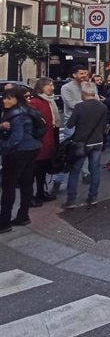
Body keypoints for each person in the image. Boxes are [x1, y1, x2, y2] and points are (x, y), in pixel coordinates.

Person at [0, 86, 42, 233]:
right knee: (26, 183)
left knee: (8, 186)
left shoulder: (16, 115)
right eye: (4, 97)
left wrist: (3, 147)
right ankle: (23, 215)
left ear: (17, 99)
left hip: (17, 152)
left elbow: (15, 139)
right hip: (32, 149)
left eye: (9, 98)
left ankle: (4, 222)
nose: (5, 100)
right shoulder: (28, 110)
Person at [63, 82, 107, 208]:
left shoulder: (79, 107)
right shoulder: (102, 107)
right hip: (97, 141)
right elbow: (104, 126)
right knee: (95, 170)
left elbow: (70, 124)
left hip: (81, 142)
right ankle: (93, 197)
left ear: (83, 93)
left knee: (75, 170)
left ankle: (71, 199)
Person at [55, 64, 90, 193]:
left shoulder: (88, 86)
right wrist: (88, 103)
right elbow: (70, 104)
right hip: (72, 124)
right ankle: (58, 180)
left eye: (85, 73)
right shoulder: (66, 87)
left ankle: (86, 173)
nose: (84, 76)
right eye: (81, 73)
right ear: (74, 74)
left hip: (85, 123)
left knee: (84, 149)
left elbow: (96, 99)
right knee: (69, 153)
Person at [28, 77, 60, 206]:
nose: (52, 88)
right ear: (41, 87)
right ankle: (31, 196)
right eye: (49, 85)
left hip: (49, 140)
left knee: (42, 170)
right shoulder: (35, 102)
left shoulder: (49, 101)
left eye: (52, 85)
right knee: (34, 171)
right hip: (40, 141)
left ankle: (41, 192)